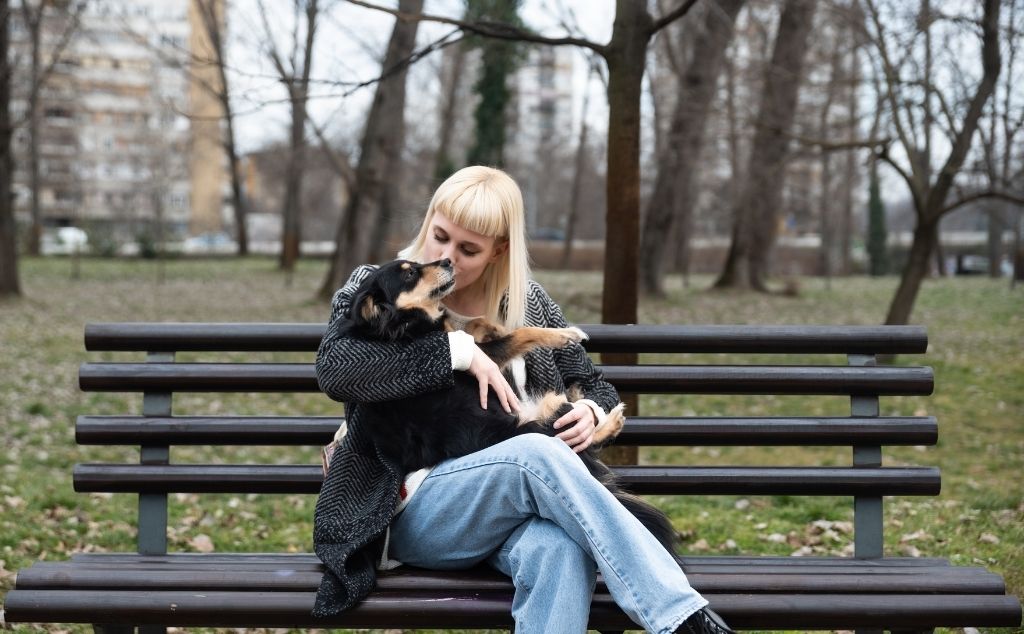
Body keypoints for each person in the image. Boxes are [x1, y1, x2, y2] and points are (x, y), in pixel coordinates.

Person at [313, 166, 734, 634]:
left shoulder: (528, 303)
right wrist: (458, 350)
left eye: (468, 249)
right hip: (408, 511)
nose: (447, 256)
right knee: (532, 453)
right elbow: (336, 368)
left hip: (507, 515)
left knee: (559, 550)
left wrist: (590, 412)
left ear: (500, 250)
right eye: (440, 236)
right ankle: (679, 619)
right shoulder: (377, 286)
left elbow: (593, 383)